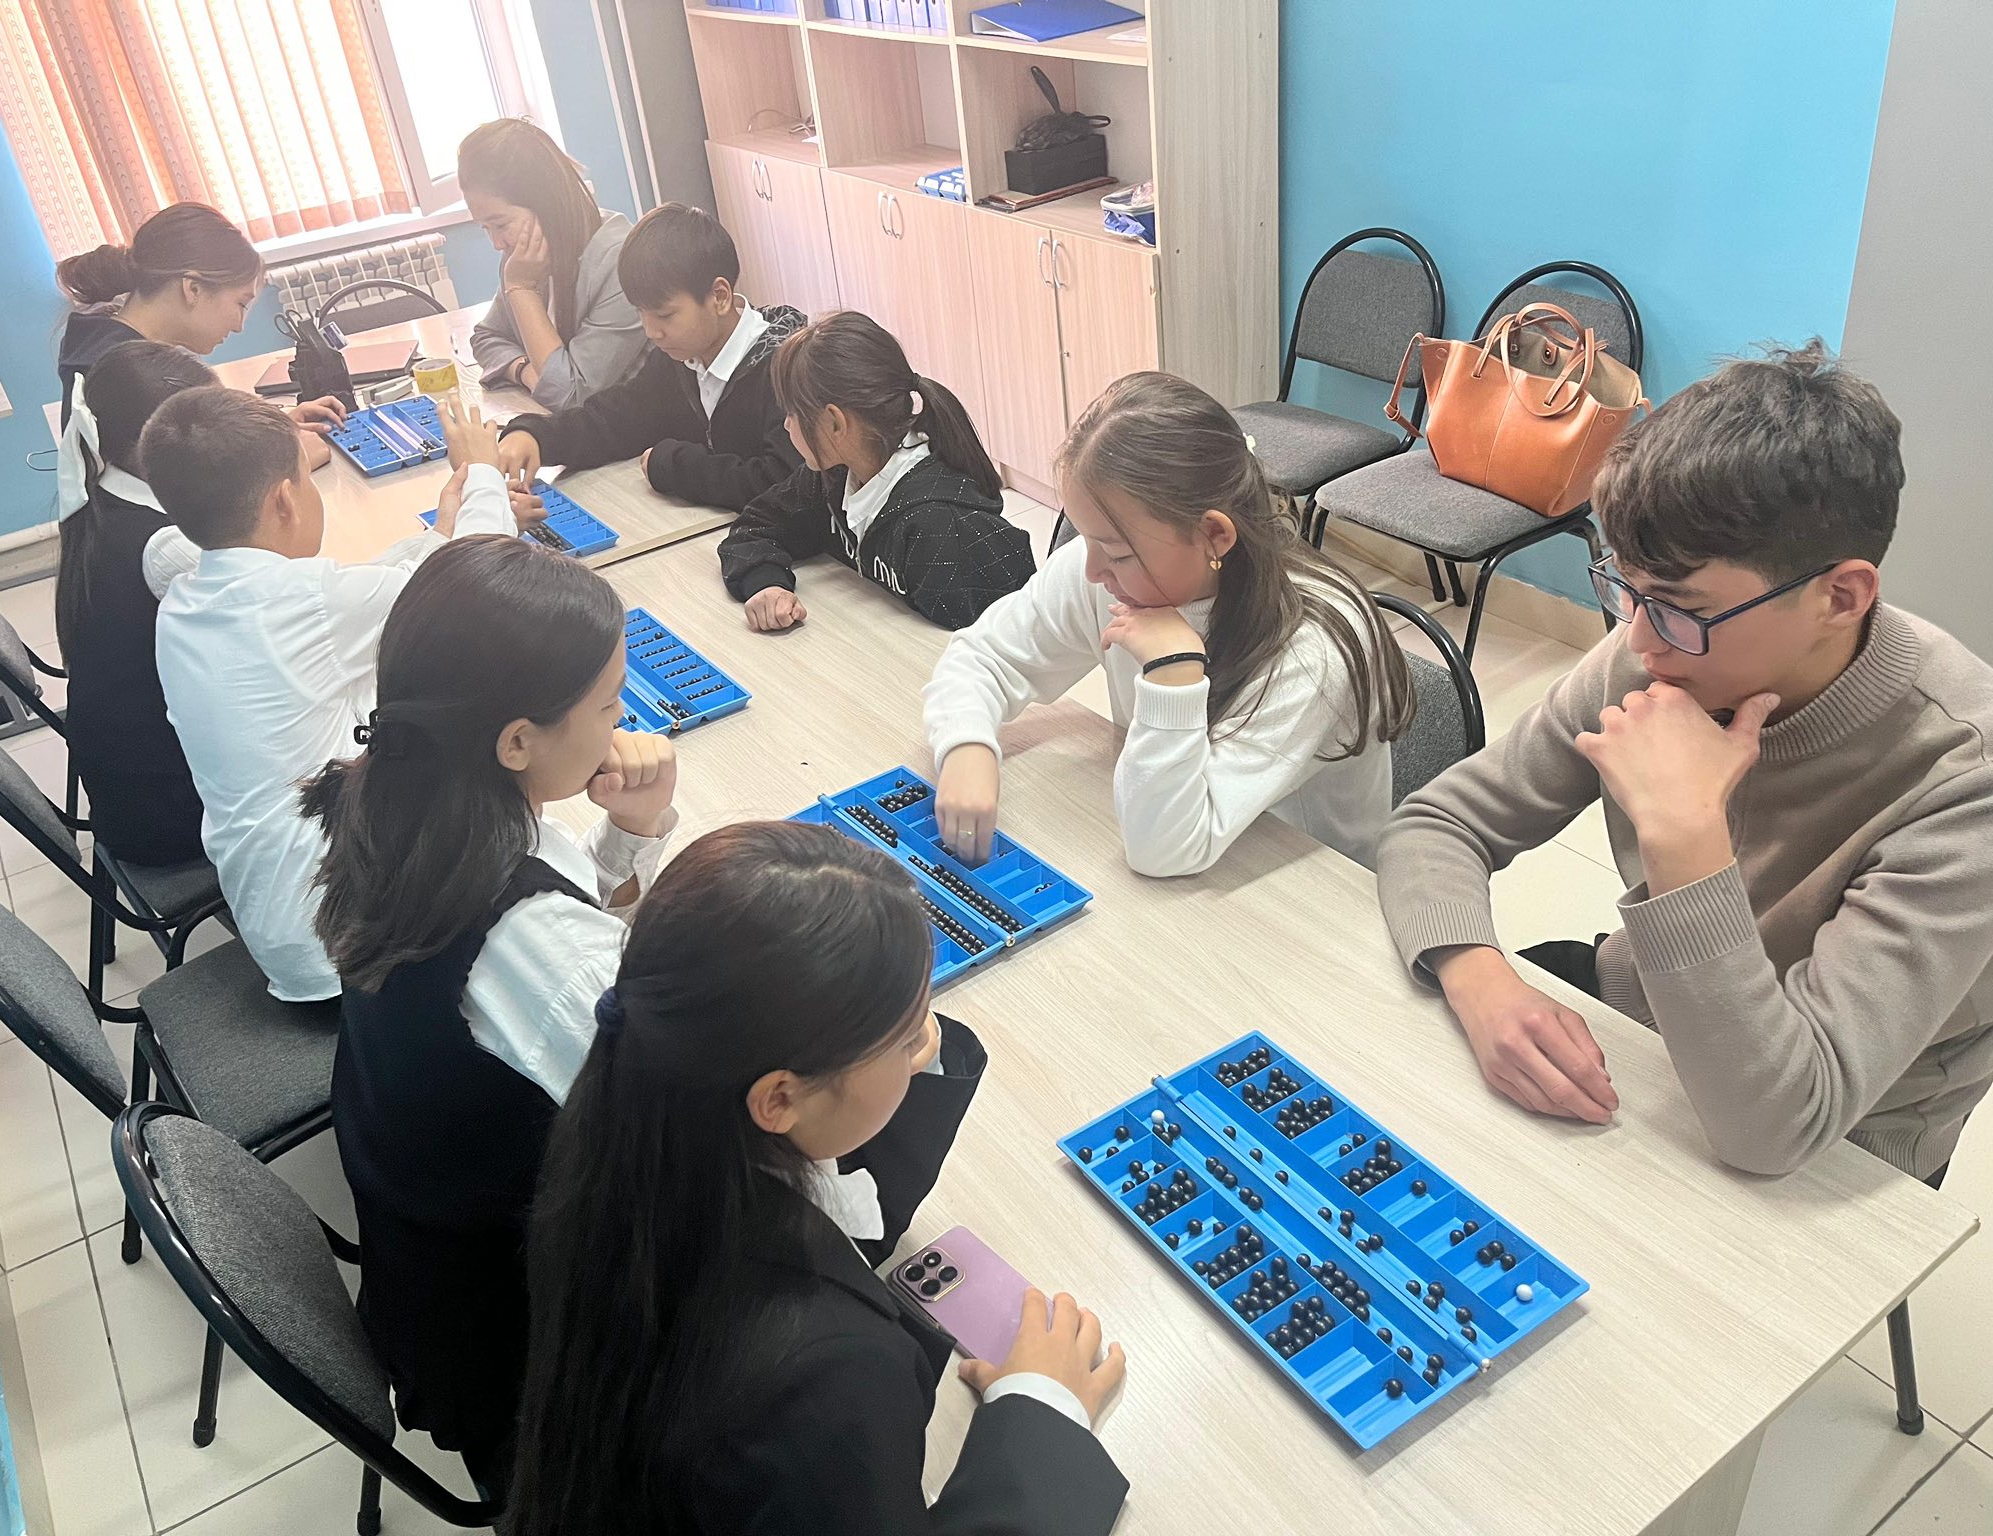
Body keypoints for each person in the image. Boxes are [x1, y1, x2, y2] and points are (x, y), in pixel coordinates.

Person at [1375, 343, 1993, 1181]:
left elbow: (1777, 1126)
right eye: (1625, 589)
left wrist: (1683, 837)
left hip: (1842, 1142)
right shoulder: (1665, 648)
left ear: (1840, 597)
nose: (1636, 641)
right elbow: (1438, 822)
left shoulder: (1966, 781)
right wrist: (1478, 978)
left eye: (1679, 608)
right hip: (1646, 1018)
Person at [502, 821, 1129, 1535]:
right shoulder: (833, 1375)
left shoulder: (619, 1139)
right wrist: (1044, 1412)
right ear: (778, 1099)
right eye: (904, 1038)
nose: (922, 1051)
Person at [301, 536, 678, 1489]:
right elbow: (689, 1100)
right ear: (516, 742)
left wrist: (631, 831)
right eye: (608, 704)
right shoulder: (530, 939)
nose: (623, 719)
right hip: (523, 1360)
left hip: (429, 1272)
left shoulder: (407, 802)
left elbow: (552, 946)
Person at [924, 371, 1414, 877]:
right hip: (1185, 839)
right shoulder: (1114, 571)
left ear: (1214, 535)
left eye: (1116, 552)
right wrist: (966, 746)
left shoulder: (1310, 652)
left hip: (1309, 884)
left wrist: (1173, 672)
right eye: (1086, 539)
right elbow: (983, 656)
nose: (1092, 571)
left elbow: (1163, 848)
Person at [143, 386, 519, 1001]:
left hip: (275, 919)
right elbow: (487, 583)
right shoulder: (307, 603)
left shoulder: (184, 601)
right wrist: (482, 475)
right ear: (285, 499)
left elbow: (369, 593)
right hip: (348, 948)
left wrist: (441, 534)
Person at [717, 311, 1032, 632]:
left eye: (793, 413)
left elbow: (996, 643)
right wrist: (767, 583)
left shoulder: (942, 527)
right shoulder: (833, 475)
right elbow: (758, 525)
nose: (786, 425)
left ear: (835, 423)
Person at [496, 202, 805, 511]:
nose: (651, 331)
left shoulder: (788, 372)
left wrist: (673, 466)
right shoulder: (677, 360)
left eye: (665, 315)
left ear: (719, 297)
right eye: (641, 312)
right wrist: (537, 436)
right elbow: (614, 419)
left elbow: (784, 483)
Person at [52, 342, 215, 866]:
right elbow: (287, 620)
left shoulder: (103, 493)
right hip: (173, 813)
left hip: (132, 788)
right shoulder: (168, 547)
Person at [55, 201, 343, 458]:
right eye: (241, 304)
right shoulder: (143, 380)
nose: (239, 325)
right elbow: (218, 487)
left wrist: (272, 431)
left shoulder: (99, 345)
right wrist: (293, 460)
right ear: (192, 288)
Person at [460, 119, 645, 410]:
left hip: (632, 429)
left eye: (501, 224)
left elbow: (570, 396)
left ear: (546, 205)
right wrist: (525, 371)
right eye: (486, 228)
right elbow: (486, 336)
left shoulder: (620, 260)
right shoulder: (525, 257)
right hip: (566, 425)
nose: (496, 243)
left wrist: (521, 289)